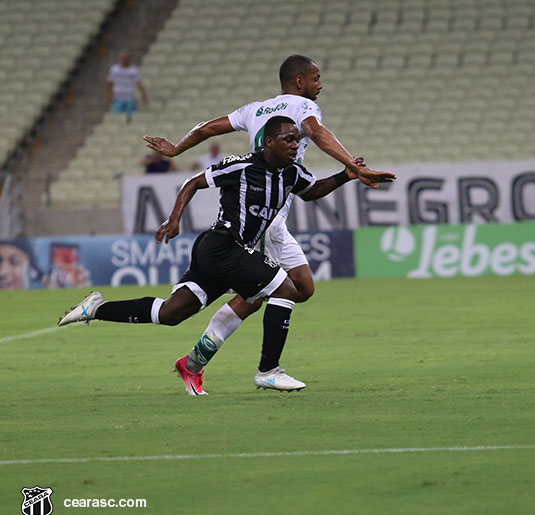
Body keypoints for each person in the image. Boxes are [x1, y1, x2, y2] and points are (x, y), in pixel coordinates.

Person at [141, 55, 395, 392]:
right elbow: (318, 134)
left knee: (300, 288)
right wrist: (355, 165)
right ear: (300, 81)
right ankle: (235, 366)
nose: (320, 86)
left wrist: (177, 149)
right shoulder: (303, 107)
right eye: (316, 78)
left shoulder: (255, 109)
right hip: (264, 218)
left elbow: (207, 128)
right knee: (268, 294)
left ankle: (195, 363)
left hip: (276, 216)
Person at [58, 117, 363, 394]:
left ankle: (96, 309)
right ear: (269, 142)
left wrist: (346, 175)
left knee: (171, 313)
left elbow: (312, 191)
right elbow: (193, 182)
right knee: (285, 289)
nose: (296, 145)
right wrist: (174, 218)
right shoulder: (241, 166)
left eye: (297, 140)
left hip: (225, 254)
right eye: (289, 140)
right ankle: (269, 369)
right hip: (221, 246)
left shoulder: (291, 173)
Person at [106, 51, 148, 122]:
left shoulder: (133, 70)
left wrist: (143, 96)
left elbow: (139, 84)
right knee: (115, 118)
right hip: (117, 98)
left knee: (130, 118)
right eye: (123, 59)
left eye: (126, 59)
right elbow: (109, 83)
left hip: (129, 97)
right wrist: (108, 95)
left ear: (129, 59)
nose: (124, 60)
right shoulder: (114, 69)